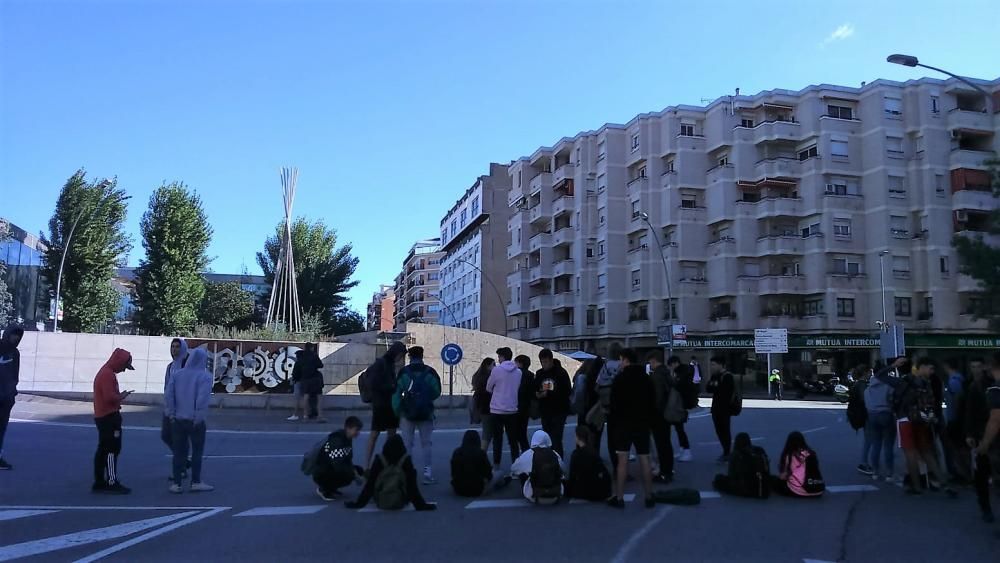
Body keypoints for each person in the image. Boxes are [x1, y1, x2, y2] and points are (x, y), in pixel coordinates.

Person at [874, 357, 956, 496]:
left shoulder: (904, 381)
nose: (932, 371)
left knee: (910, 454)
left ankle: (917, 486)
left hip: (905, 419)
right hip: (923, 420)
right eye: (930, 368)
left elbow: (879, 375)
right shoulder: (927, 383)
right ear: (921, 367)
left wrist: (893, 366)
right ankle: (943, 483)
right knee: (926, 452)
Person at [607, 348, 656, 509]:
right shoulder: (646, 378)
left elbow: (613, 405)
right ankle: (649, 496)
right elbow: (652, 402)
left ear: (626, 360)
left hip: (623, 424)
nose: (620, 363)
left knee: (622, 461)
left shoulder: (619, 379)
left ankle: (619, 498)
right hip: (642, 423)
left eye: (621, 359)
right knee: (645, 459)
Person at [165, 347, 214, 493]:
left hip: (178, 419)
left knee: (179, 452)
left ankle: (177, 483)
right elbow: (202, 398)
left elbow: (169, 395)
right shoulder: (205, 376)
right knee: (197, 451)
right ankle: (196, 481)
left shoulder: (177, 374)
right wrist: (198, 417)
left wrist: (172, 414)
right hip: (195, 420)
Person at [345, 434, 436, 511]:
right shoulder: (405, 460)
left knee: (372, 477)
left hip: (381, 498)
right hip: (400, 499)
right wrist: (421, 505)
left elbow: (370, 485)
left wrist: (358, 504)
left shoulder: (379, 459)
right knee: (413, 474)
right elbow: (412, 487)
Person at [391, 346, 441, 485]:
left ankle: (408, 472)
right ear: (422, 356)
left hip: (407, 413)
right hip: (426, 413)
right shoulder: (430, 372)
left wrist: (397, 411)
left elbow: (396, 395)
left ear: (410, 357)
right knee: (426, 443)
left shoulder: (404, 373)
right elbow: (437, 391)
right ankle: (427, 473)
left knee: (407, 444)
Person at [92, 348, 135, 494]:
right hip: (109, 417)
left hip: (103, 416)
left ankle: (99, 481)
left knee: (103, 449)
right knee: (112, 449)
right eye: (124, 366)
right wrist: (121, 396)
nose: (124, 370)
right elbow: (109, 398)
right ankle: (111, 481)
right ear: (119, 362)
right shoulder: (108, 375)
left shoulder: (105, 372)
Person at [363, 341, 407, 468]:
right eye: (401, 355)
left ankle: (387, 462)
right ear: (396, 353)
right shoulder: (381, 363)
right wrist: (392, 386)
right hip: (381, 404)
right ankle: (368, 465)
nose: (401, 358)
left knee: (390, 435)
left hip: (388, 404)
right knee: (376, 434)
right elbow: (374, 384)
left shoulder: (389, 364)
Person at [971, 351, 1000, 523]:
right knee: (982, 476)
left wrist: (985, 443)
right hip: (983, 434)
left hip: (994, 442)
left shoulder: (995, 389)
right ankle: (985, 508)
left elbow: (995, 420)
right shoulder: (977, 385)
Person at [487, 347, 523, 470]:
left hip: (496, 409)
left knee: (497, 439)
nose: (498, 359)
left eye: (499, 357)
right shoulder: (518, 372)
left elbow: (488, 387)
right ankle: (516, 467)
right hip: (512, 409)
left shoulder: (496, 370)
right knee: (513, 440)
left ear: (502, 357)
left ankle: (496, 466)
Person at [314, 416, 365, 501]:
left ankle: (332, 487)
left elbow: (347, 459)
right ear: (348, 428)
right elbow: (337, 464)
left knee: (358, 470)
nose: (358, 433)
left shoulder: (347, 439)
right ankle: (324, 489)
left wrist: (354, 472)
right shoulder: (337, 440)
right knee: (348, 474)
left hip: (329, 467)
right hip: (322, 471)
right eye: (356, 430)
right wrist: (353, 475)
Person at [534, 348, 571, 458]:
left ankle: (559, 463)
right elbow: (535, 388)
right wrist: (537, 394)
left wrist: (549, 393)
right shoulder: (540, 373)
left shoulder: (561, 373)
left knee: (556, 439)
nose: (544, 364)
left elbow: (567, 390)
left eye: (545, 362)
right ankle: (550, 462)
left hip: (559, 410)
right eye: (542, 362)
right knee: (547, 439)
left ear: (551, 360)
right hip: (545, 410)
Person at [510, 430, 564, 504]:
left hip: (535, 495)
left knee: (523, 473)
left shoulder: (528, 454)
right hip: (555, 494)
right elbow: (564, 470)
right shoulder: (554, 454)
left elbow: (513, 468)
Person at [941, 358, 971, 484]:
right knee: (959, 448)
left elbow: (958, 400)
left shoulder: (954, 381)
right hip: (956, 418)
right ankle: (963, 473)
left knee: (957, 448)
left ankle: (963, 474)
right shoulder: (960, 379)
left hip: (955, 419)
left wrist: (956, 417)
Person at [712, 433, 770, 498]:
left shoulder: (737, 454)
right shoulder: (759, 451)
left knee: (719, 479)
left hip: (745, 488)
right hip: (762, 487)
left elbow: (731, 475)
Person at [162, 338, 189, 479]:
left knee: (180, 439)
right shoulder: (170, 366)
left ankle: (180, 469)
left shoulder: (186, 367)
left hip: (182, 408)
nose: (174, 349)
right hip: (169, 407)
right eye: (172, 346)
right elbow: (167, 386)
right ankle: (184, 459)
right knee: (165, 435)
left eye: (177, 346)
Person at [647, 350, 675, 484]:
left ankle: (664, 473)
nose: (650, 365)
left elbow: (657, 398)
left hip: (659, 415)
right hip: (667, 413)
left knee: (661, 445)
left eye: (650, 362)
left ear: (654, 360)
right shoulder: (666, 373)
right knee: (666, 444)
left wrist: (652, 413)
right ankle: (668, 470)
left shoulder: (657, 375)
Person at [864, 368, 897, 482]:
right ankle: (889, 473)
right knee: (888, 445)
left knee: (876, 444)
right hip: (886, 414)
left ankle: (875, 472)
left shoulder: (867, 389)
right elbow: (893, 401)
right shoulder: (888, 386)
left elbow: (866, 404)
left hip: (872, 415)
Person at [565, 425, 612, 501]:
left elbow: (572, 475)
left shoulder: (576, 454)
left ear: (577, 437)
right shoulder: (593, 451)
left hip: (584, 490)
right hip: (596, 488)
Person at [770, 431, 824, 498]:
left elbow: (784, 476)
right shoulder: (811, 453)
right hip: (818, 489)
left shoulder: (791, 455)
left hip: (801, 490)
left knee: (773, 480)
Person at [0, 325, 24, 470]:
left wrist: (12, 392)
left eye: (18, 335)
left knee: (1, 429)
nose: (15, 337)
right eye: (13, 334)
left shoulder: (15, 353)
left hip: (6, 399)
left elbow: (15, 375)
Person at [706, 356, 735, 463]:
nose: (712, 367)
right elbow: (708, 388)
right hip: (715, 408)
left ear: (720, 365)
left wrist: (716, 387)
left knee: (725, 430)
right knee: (719, 431)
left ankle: (727, 452)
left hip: (725, 409)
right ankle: (725, 451)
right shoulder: (715, 376)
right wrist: (715, 386)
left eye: (713, 365)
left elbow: (725, 392)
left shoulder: (727, 376)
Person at [450, 430, 493, 497]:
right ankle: (502, 482)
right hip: (477, 490)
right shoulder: (480, 453)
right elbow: (489, 475)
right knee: (499, 474)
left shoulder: (457, 452)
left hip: (459, 490)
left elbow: (453, 473)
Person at [668, 357, 694, 462]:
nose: (671, 367)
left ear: (676, 363)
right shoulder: (682, 372)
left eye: (671, 365)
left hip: (680, 405)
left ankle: (686, 450)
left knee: (679, 428)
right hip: (680, 404)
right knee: (679, 428)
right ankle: (683, 449)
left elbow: (679, 387)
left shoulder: (683, 373)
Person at [293, 343, 326, 423]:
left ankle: (305, 416)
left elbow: (298, 368)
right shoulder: (314, 355)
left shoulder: (301, 356)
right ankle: (320, 416)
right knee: (319, 398)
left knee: (306, 397)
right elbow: (321, 365)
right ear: (311, 347)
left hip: (305, 379)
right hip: (315, 379)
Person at [471, 358, 496, 453]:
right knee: (487, 433)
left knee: (487, 432)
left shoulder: (477, 376)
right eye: (493, 364)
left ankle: (481, 454)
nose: (495, 367)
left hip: (481, 407)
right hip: (488, 407)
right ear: (487, 365)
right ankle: (481, 455)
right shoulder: (489, 377)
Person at [514, 354, 535, 454]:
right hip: (526, 407)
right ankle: (526, 453)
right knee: (522, 433)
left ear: (520, 363)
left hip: (516, 406)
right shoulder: (531, 375)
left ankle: (523, 455)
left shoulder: (517, 374)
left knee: (517, 435)